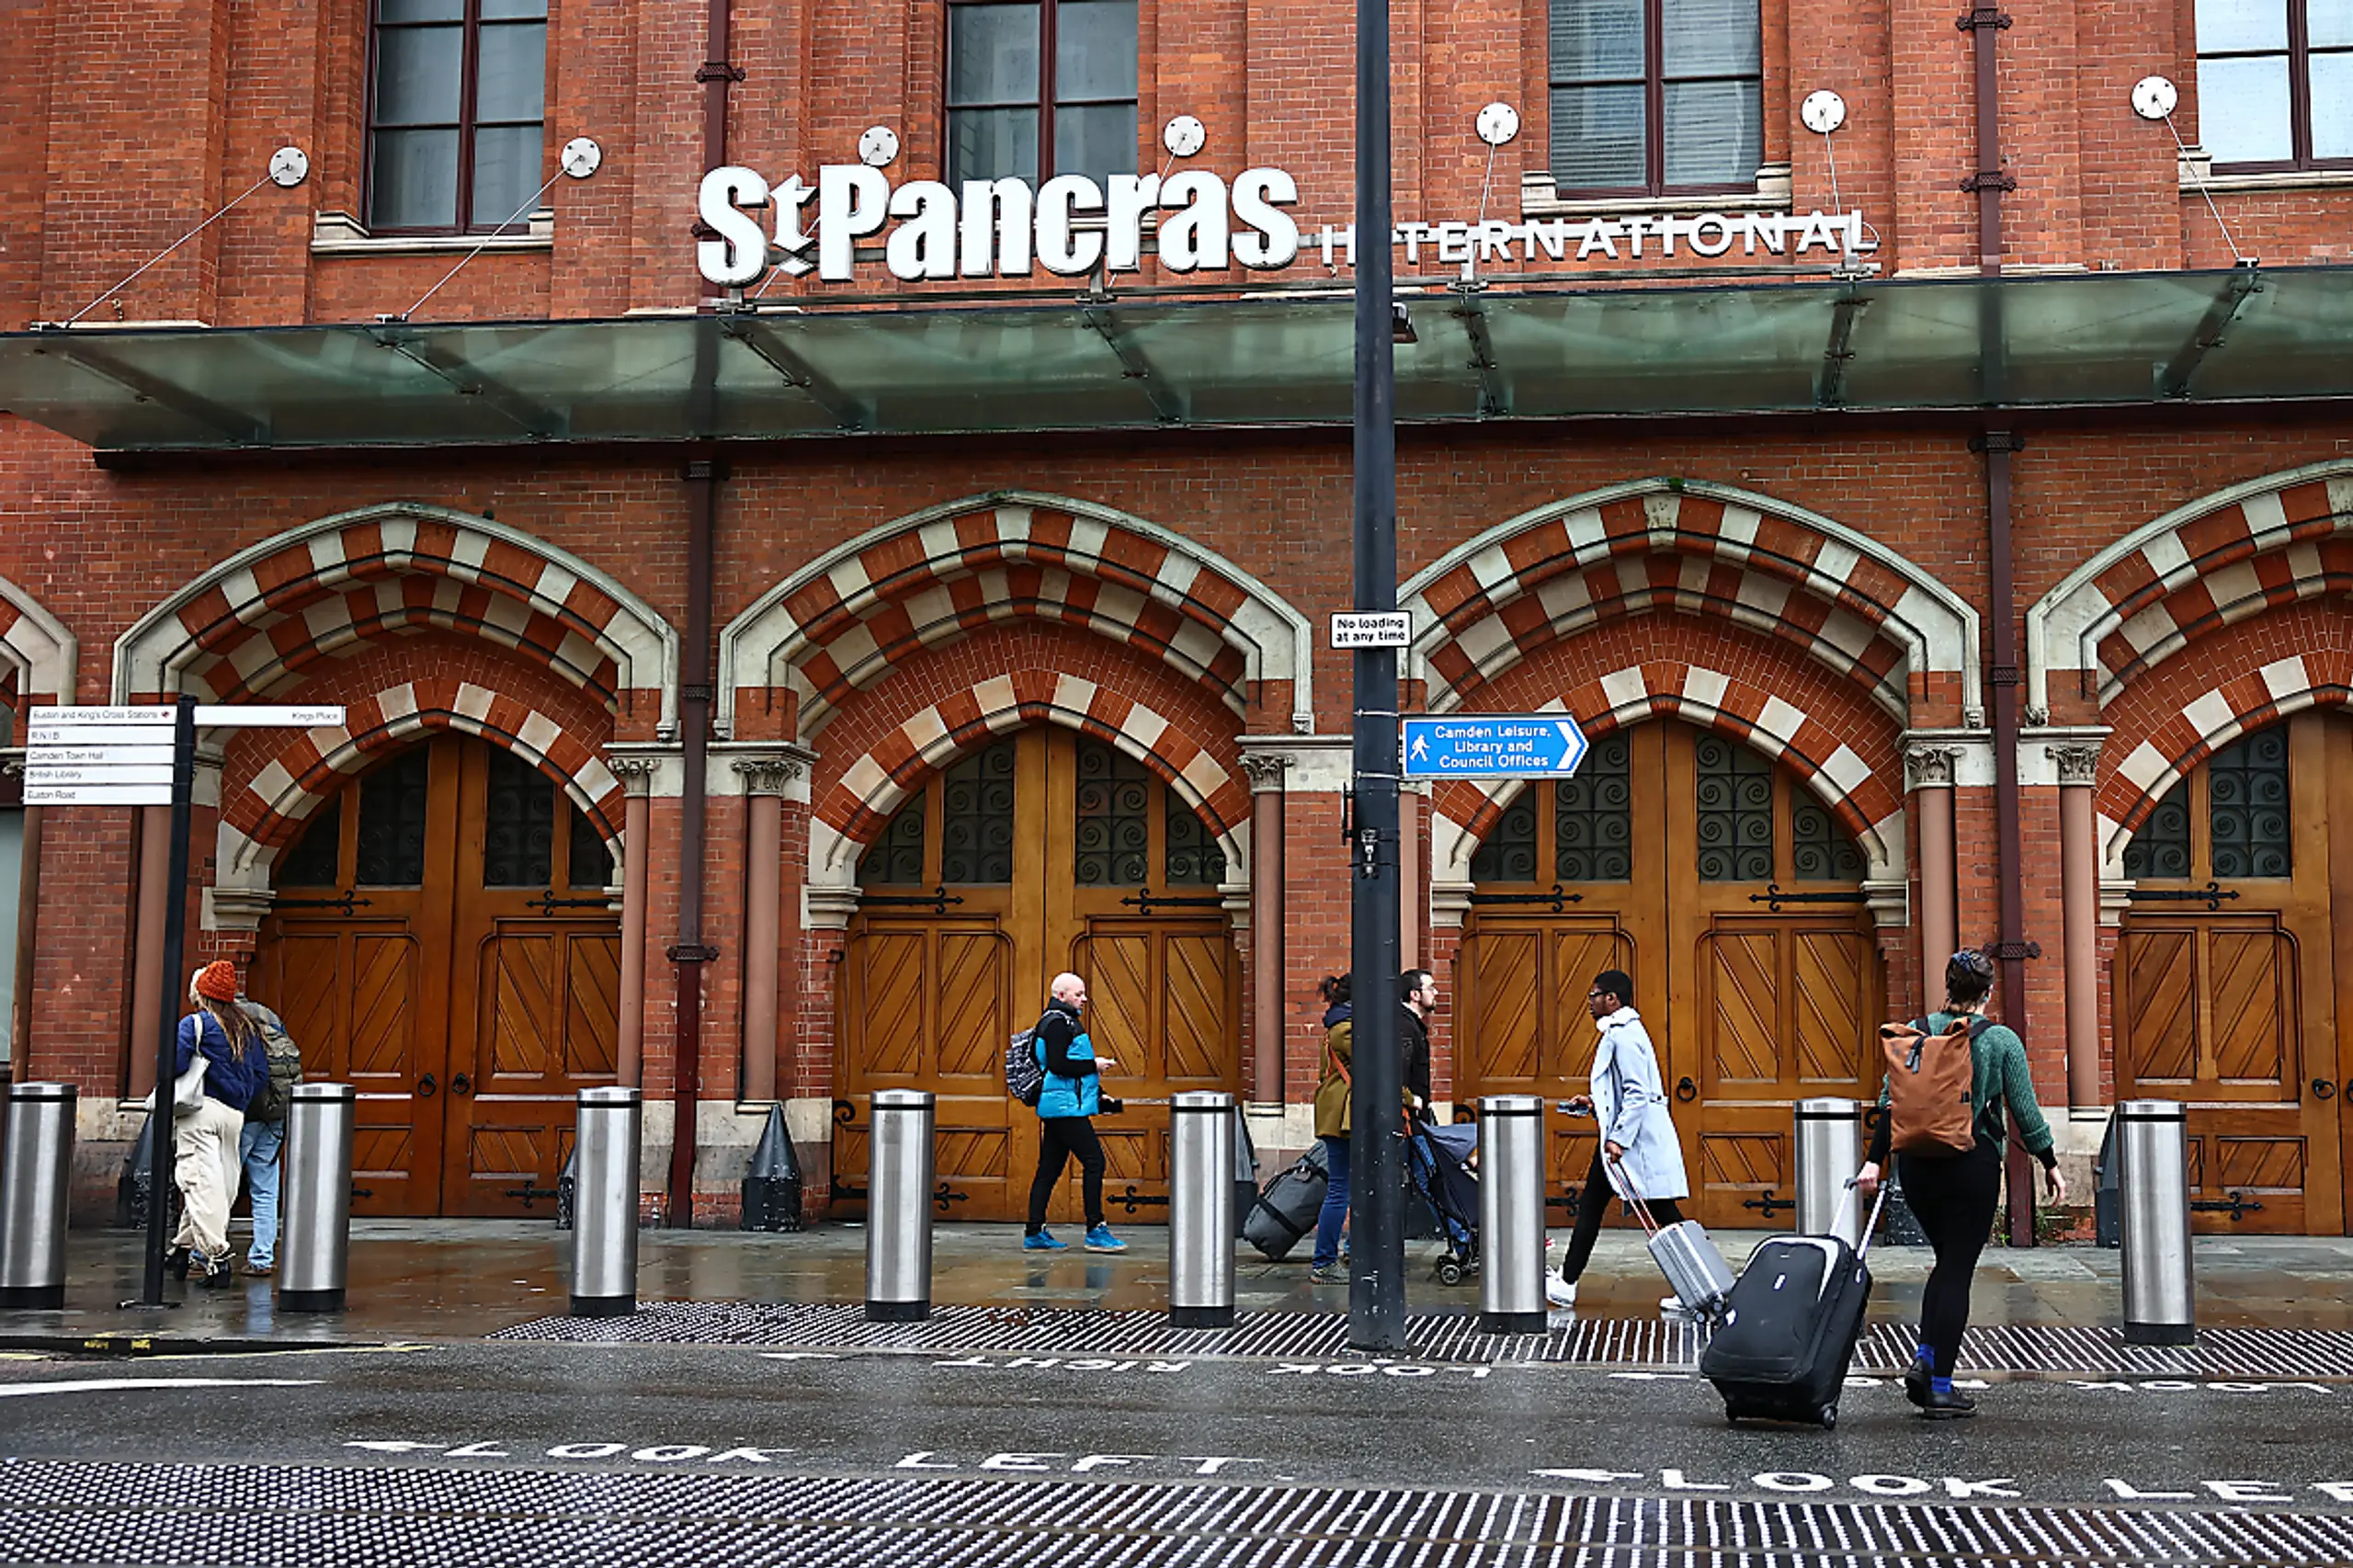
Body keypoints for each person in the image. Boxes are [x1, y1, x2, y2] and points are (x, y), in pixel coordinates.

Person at [1857, 949, 2067, 1419]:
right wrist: (2049, 1161)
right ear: (1988, 993)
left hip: (1915, 1165)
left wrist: (1875, 1162)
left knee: (1944, 1264)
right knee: (1957, 1269)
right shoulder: (2000, 1042)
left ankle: (1926, 1359)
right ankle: (1941, 1387)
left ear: (1947, 987)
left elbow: (1890, 1104)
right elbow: (2026, 1114)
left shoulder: (1916, 1032)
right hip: (1971, 1165)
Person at [1547, 968, 1690, 1312]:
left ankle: (1699, 1286)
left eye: (1595, 996)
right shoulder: (1624, 1032)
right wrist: (1594, 1104)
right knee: (1598, 1208)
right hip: (1626, 1141)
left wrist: (1619, 1140)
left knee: (1661, 1213)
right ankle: (1567, 1281)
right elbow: (1627, 1091)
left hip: (1630, 1145)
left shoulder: (1623, 1035)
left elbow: (1637, 1093)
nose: (1590, 1003)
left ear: (1612, 998)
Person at [169, 960, 270, 1285]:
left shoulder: (194, 1024)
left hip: (200, 1111)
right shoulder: (247, 1027)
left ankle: (217, 1257)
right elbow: (261, 1075)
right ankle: (181, 1252)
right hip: (234, 1115)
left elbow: (173, 1064)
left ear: (202, 994)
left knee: (200, 1183)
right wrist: (239, 1093)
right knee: (221, 1187)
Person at [1022, 971, 1127, 1254]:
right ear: (1061, 996)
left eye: (1083, 993)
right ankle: (1096, 1229)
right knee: (1095, 1161)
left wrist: (1100, 1093)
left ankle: (1034, 1233)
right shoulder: (1057, 1023)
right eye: (1078, 994)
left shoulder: (1061, 1021)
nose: (1084, 999)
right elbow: (1058, 1066)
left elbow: (1070, 1068)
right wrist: (1095, 1065)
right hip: (1065, 1108)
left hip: (1062, 1106)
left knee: (1049, 1169)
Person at [233, 987, 302, 1278]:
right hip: (274, 1114)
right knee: (266, 1189)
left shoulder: (225, 1019)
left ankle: (203, 1254)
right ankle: (262, 1257)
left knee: (221, 1185)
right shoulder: (268, 1014)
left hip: (244, 1113)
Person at [1309, 974, 1353, 1284]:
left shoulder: (1338, 1025)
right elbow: (1378, 1065)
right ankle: (1324, 1262)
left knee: (1347, 1188)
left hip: (1341, 1117)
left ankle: (1346, 1251)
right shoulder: (1346, 1030)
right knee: (1340, 1190)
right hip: (1342, 1119)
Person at [1398, 968, 1436, 1119]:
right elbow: (1398, 1073)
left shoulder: (1411, 1025)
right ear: (1414, 995)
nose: (1436, 993)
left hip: (1416, 1114)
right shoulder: (1405, 1027)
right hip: (1409, 1117)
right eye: (1431, 988)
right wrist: (1412, 1100)